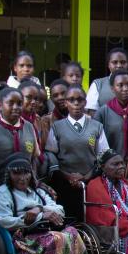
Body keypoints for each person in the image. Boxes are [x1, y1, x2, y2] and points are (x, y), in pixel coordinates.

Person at [0, 154, 98, 254]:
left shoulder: (38, 192)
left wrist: (40, 209)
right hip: (22, 235)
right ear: (9, 174)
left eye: (26, 173)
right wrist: (35, 217)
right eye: (17, 173)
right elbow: (5, 220)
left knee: (73, 234)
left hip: (47, 230)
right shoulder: (3, 193)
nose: (22, 178)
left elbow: (59, 209)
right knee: (55, 239)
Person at [46, 84, 108, 220]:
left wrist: (86, 177)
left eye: (80, 99)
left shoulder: (96, 127)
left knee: (90, 218)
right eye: (71, 99)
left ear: (85, 102)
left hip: (90, 182)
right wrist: (68, 176)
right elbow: (51, 154)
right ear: (66, 102)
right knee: (68, 220)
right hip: (64, 183)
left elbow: (103, 155)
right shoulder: (57, 127)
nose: (76, 103)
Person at [94, 69, 128, 160]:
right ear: (112, 88)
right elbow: (96, 143)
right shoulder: (102, 112)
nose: (125, 89)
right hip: (110, 166)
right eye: (120, 85)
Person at [85, 47, 128, 111]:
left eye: (123, 62)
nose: (119, 65)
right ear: (108, 65)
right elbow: (92, 111)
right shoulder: (98, 84)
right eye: (115, 62)